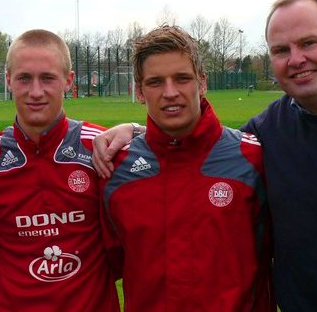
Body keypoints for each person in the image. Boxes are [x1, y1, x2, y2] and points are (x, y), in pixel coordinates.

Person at [94, 0, 317, 312]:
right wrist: (139, 134)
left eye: (309, 43)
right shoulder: (269, 131)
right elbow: (188, 147)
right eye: (281, 50)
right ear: (140, 91)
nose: (296, 59)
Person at [100, 25, 273, 311]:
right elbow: (115, 259)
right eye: (155, 82)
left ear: (202, 83)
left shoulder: (253, 157)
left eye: (182, 78)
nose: (170, 92)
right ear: (140, 91)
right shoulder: (116, 168)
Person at [0, 29, 120, 311]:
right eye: (24, 78)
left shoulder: (102, 149)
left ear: (68, 81)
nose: (35, 91)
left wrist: (135, 129)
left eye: (47, 78)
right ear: (8, 81)